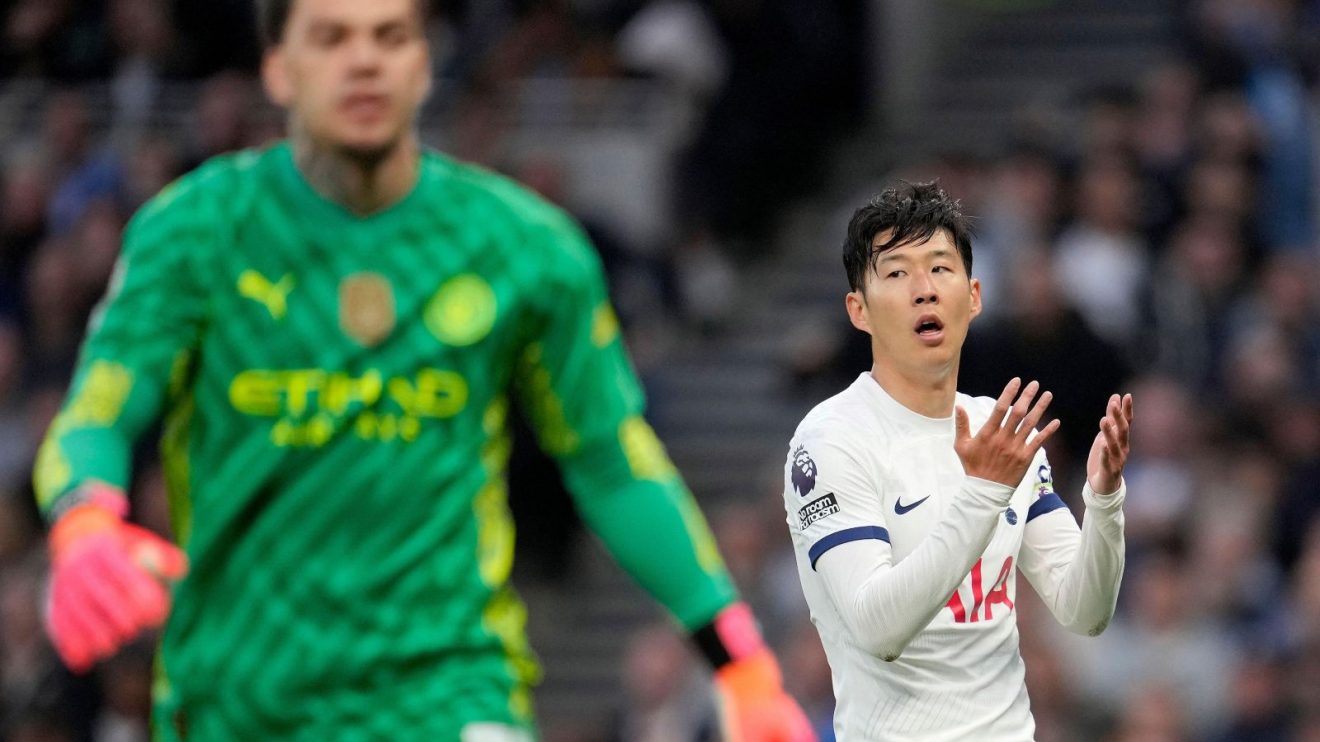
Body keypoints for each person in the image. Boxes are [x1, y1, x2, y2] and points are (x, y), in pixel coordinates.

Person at [32, 1, 815, 740]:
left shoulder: (521, 247)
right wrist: (84, 519)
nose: (365, 62)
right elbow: (98, 410)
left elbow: (611, 461)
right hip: (237, 703)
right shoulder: (194, 233)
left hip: (447, 692)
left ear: (424, 62)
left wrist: (737, 656)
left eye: (390, 36)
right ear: (278, 67)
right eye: (333, 38)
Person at [781, 181, 1133, 740]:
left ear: (973, 296)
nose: (923, 290)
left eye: (940, 269)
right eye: (896, 273)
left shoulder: (1002, 429)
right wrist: (984, 492)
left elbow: (1085, 612)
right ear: (859, 310)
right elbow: (878, 628)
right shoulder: (831, 440)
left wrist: (1105, 499)